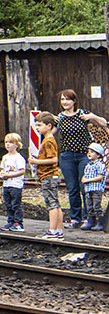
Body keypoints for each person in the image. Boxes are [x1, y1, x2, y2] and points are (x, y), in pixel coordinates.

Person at [53, 89, 108, 229]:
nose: (65, 102)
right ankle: (75, 218)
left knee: (85, 186)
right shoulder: (60, 118)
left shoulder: (83, 114)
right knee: (72, 188)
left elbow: (104, 123)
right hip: (67, 156)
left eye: (67, 99)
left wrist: (92, 117)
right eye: (62, 99)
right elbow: (48, 131)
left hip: (84, 155)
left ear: (74, 101)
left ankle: (88, 217)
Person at [32, 112, 65, 238]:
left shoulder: (48, 141)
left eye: (40, 125)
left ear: (49, 125)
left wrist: (37, 161)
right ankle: (59, 230)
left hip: (49, 176)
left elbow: (54, 160)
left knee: (51, 204)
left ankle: (52, 231)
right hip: (52, 176)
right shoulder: (48, 140)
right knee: (55, 203)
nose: (37, 128)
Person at [0, 133, 27, 232]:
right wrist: (1, 174)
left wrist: (9, 175)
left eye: (11, 142)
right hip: (6, 184)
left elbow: (22, 171)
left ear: (17, 145)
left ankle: (18, 223)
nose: (8, 144)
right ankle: (10, 221)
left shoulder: (19, 158)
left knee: (15, 204)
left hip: (16, 185)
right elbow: (3, 169)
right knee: (8, 204)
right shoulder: (5, 157)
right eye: (6, 142)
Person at [83, 142, 107, 232]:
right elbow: (85, 175)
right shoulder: (88, 165)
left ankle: (100, 223)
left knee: (96, 206)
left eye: (92, 152)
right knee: (89, 205)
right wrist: (83, 178)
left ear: (98, 155)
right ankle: (91, 221)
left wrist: (87, 180)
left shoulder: (99, 165)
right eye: (88, 151)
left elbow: (100, 177)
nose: (89, 153)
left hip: (96, 189)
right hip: (88, 189)